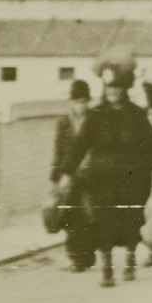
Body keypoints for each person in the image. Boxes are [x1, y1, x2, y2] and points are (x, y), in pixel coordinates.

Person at [67, 68, 152, 287]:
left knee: (131, 218)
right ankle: (107, 267)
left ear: (125, 89)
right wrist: (66, 173)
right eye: (109, 87)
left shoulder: (137, 114)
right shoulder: (96, 115)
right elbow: (79, 145)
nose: (113, 92)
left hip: (132, 177)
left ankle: (130, 257)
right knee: (103, 220)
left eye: (117, 87)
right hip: (102, 179)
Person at [49, 80, 96, 273]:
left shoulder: (95, 119)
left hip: (91, 175)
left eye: (84, 101)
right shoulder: (64, 122)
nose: (81, 106)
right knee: (70, 216)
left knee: (89, 216)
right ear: (71, 102)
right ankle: (77, 259)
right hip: (69, 177)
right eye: (77, 101)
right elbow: (58, 151)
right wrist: (55, 178)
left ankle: (87, 255)